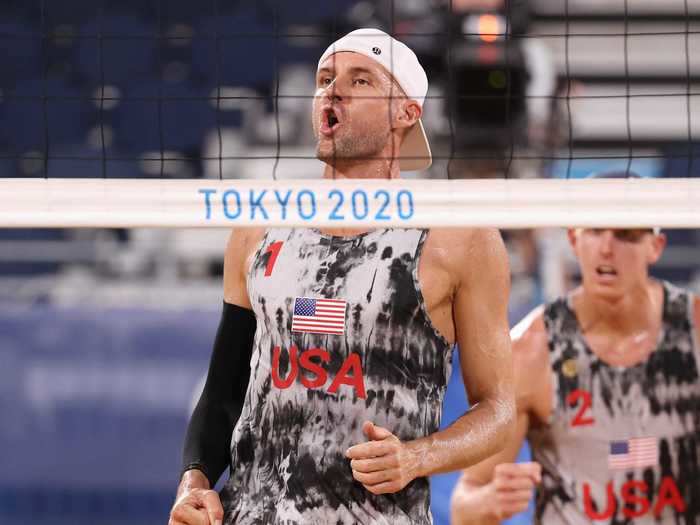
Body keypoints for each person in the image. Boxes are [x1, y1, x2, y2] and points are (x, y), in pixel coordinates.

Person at [167, 28, 515, 525]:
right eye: (325, 79)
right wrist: (193, 483)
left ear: (406, 112)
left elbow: (499, 410)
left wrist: (417, 457)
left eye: (360, 81)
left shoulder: (459, 237)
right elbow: (224, 390)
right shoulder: (259, 225)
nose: (333, 90)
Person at [450, 175, 700, 524]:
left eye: (626, 234)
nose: (607, 248)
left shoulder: (694, 329)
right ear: (573, 239)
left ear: (655, 246)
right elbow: (464, 504)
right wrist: (491, 502)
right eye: (595, 231)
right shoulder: (532, 350)